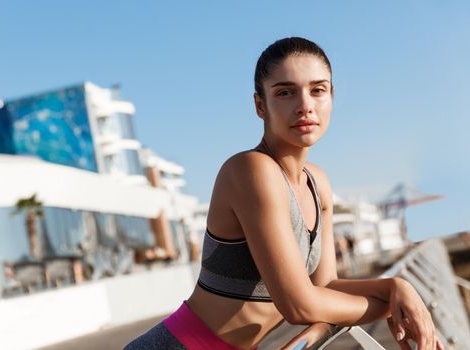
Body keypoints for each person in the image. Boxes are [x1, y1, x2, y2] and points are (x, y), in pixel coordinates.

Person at [124, 37, 442, 350]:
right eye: (286, 92)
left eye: (317, 90)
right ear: (260, 105)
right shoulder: (251, 170)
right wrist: (391, 306)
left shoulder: (318, 183)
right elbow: (299, 305)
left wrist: (396, 287)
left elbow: (324, 285)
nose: (305, 106)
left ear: (332, 97)